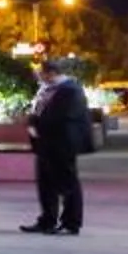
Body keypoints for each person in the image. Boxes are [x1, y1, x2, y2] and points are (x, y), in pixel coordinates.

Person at [21, 62, 93, 236]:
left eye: (42, 73)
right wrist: (32, 122)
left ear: (51, 73)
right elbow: (39, 110)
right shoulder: (47, 89)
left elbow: (60, 117)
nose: (39, 76)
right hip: (46, 143)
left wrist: (36, 123)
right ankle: (47, 220)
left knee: (67, 184)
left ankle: (71, 222)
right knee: (45, 184)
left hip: (62, 144)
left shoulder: (70, 90)